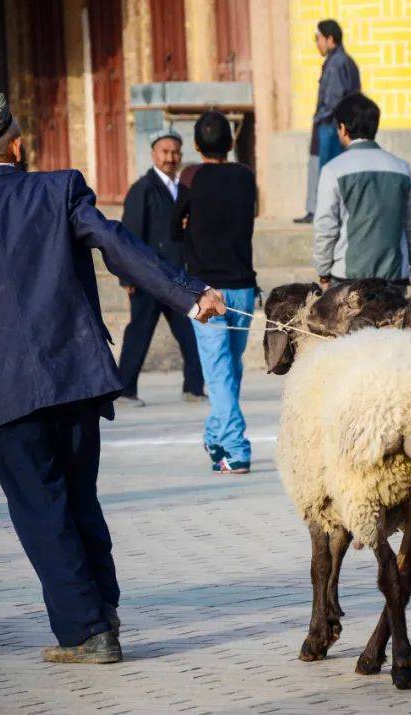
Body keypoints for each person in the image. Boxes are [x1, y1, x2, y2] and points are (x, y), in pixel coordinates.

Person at [0, 94, 224, 663]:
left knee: (41, 509)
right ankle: (104, 611)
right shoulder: (58, 189)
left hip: (0, 391)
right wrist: (191, 296)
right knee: (79, 497)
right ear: (17, 147)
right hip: (72, 376)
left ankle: (87, 632)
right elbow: (120, 247)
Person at [174, 111, 259, 475]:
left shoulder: (191, 176)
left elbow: (172, 229)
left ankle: (237, 450)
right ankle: (216, 436)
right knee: (229, 370)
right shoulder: (246, 176)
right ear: (231, 142)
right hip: (242, 287)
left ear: (196, 144)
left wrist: (190, 226)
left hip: (208, 291)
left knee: (220, 373)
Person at [115, 128, 205, 408]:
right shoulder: (142, 189)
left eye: (175, 152)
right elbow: (127, 235)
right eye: (165, 152)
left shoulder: (181, 188)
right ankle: (124, 391)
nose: (170, 157)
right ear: (154, 154)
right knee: (139, 334)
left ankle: (193, 388)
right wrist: (126, 275)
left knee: (189, 333)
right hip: (147, 278)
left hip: (176, 277)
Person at [313, 93, 411, 290]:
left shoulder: (333, 170)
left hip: (348, 281)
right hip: (395, 280)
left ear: (342, 128)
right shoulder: (402, 168)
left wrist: (323, 272)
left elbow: (325, 228)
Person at [295, 19, 361, 224]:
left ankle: (323, 213)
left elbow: (333, 100)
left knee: (328, 171)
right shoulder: (342, 61)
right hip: (336, 124)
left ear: (330, 39)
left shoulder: (337, 63)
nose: (317, 44)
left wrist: (319, 118)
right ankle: (319, 211)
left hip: (331, 125)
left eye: (318, 39)